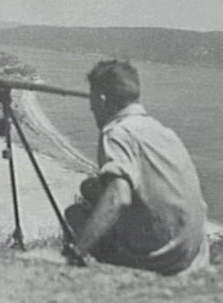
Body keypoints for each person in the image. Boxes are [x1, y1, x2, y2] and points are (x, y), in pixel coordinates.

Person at [62, 60, 210, 275]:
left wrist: (77, 251)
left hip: (158, 261)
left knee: (75, 213)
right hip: (193, 255)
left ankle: (84, 271)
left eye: (92, 102)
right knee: (90, 187)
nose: (91, 108)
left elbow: (118, 197)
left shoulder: (116, 133)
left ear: (102, 100)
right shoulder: (162, 131)